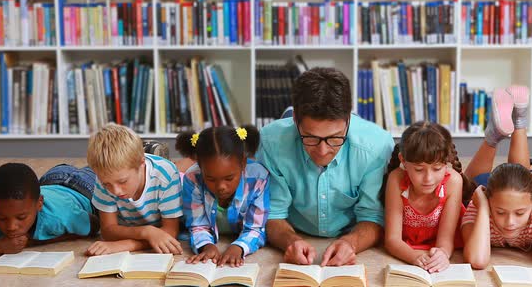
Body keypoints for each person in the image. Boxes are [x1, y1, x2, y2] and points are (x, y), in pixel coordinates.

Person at [257, 67, 395, 266]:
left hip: (349, 229)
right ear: (296, 120)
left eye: (335, 137)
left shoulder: (377, 146)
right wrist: (290, 241)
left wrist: (352, 242)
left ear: (348, 120)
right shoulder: (271, 142)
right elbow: (273, 213)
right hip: (297, 229)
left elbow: (373, 215)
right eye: (311, 137)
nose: (323, 151)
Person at [461, 86, 532, 271]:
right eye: (500, 212)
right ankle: (518, 119)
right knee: (468, 187)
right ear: (488, 202)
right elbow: (477, 260)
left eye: (520, 213)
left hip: (514, 188)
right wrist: (483, 208)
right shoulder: (478, 209)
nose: (510, 222)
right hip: (490, 186)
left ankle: (497, 134)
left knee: (522, 176)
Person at [382, 121, 469, 273]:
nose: (428, 179)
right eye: (419, 169)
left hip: (438, 240)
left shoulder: (453, 182)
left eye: (437, 168)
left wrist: (443, 254)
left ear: (446, 163)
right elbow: (392, 240)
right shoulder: (396, 179)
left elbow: (446, 241)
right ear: (403, 161)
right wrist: (413, 256)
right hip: (408, 245)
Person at [178, 125, 270, 268]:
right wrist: (206, 246)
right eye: (211, 179)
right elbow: (197, 225)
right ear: (200, 167)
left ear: (243, 163)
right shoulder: (193, 178)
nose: (221, 186)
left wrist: (239, 247)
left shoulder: (258, 178)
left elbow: (256, 227)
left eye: (229, 178)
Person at [86, 123, 183, 256]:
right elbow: (108, 230)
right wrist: (147, 232)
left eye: (123, 181)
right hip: (136, 226)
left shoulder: (167, 174)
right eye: (107, 184)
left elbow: (171, 232)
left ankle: (153, 148)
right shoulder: (104, 178)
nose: (116, 191)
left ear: (141, 163)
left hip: (150, 219)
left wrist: (124, 245)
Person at [0, 163, 99, 254]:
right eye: (2, 218)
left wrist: (33, 242)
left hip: (85, 187)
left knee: (103, 167)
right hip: (51, 178)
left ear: (39, 204)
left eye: (21, 217)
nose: (11, 227)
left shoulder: (60, 216)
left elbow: (95, 225)